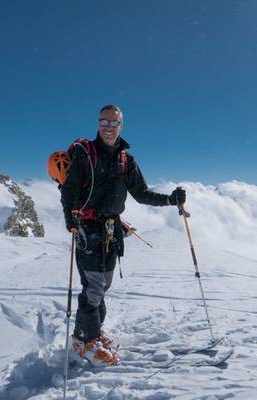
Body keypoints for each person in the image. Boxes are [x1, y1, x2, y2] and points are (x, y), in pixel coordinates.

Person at [60, 104, 186, 366]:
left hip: (111, 230)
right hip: (87, 228)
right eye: (104, 122)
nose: (108, 127)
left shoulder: (126, 160)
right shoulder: (85, 152)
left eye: (113, 123)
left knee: (103, 285)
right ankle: (86, 341)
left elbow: (142, 194)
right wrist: (70, 217)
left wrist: (171, 200)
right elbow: (69, 189)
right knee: (93, 286)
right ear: (98, 124)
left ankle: (91, 332)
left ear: (121, 126)